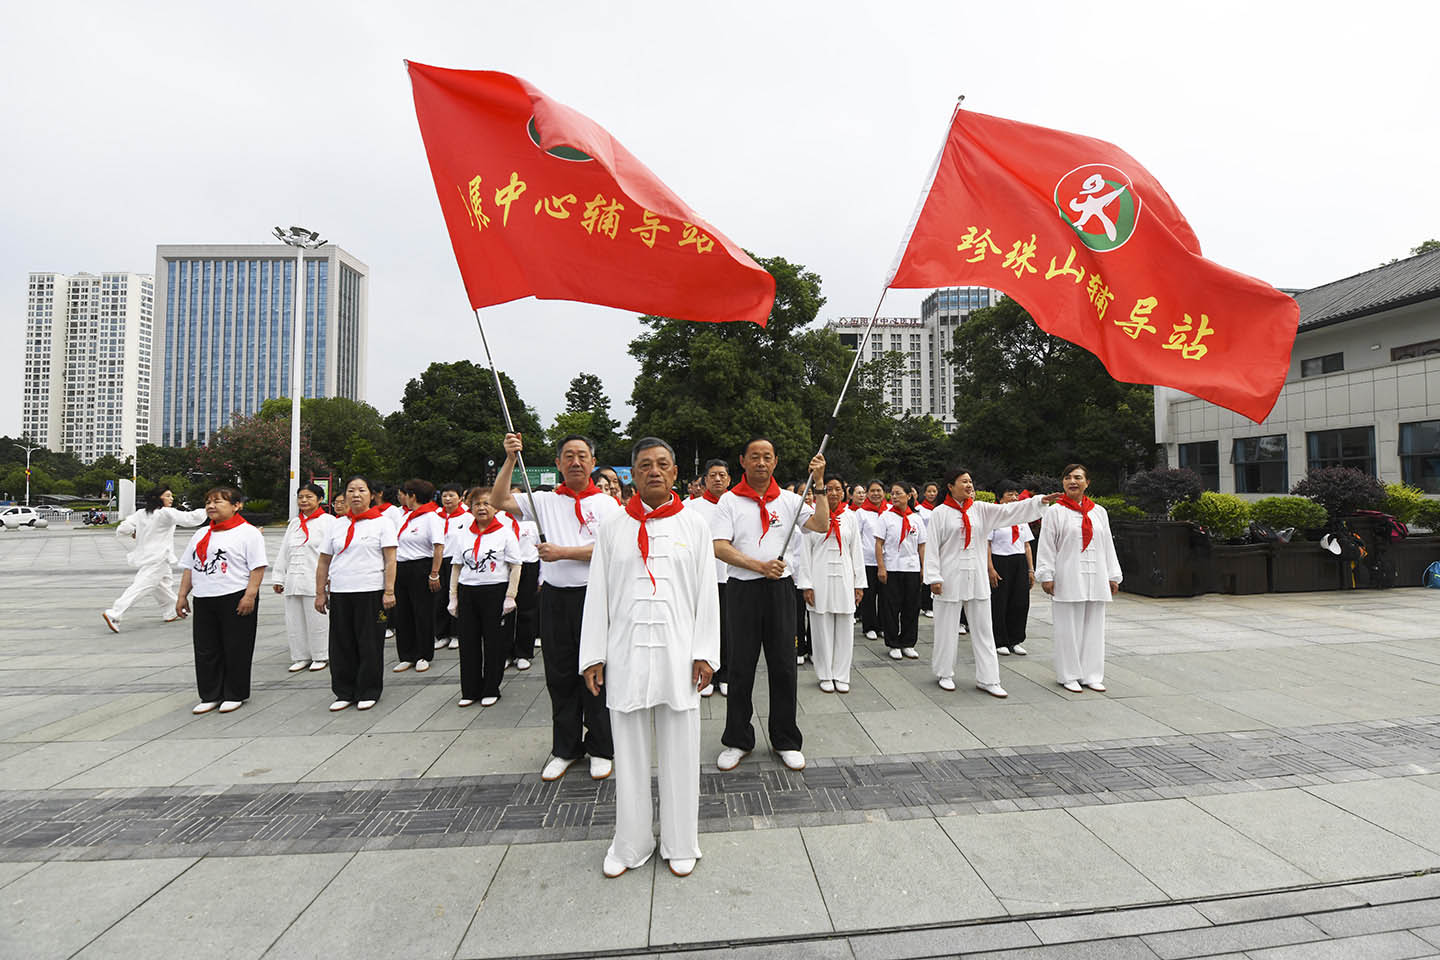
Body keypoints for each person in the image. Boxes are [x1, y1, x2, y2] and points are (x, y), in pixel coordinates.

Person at [580, 437, 719, 879]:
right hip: (624, 653)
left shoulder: (694, 525)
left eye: (662, 464)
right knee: (630, 753)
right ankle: (631, 843)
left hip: (680, 654)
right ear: (632, 475)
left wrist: (705, 654)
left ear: (675, 473)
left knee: (681, 750)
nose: (654, 471)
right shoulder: (613, 526)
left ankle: (681, 841)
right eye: (644, 466)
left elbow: (707, 594)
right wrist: (594, 656)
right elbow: (597, 593)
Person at [494, 433, 624, 781]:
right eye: (568, 456)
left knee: (597, 671)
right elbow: (499, 499)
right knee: (560, 672)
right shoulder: (544, 501)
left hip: (595, 598)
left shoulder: (608, 506)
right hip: (554, 597)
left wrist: (563, 552)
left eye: (582, 455)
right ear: (558, 464)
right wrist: (510, 459)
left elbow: (610, 551)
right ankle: (565, 747)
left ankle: (601, 746)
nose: (576, 462)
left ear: (593, 463)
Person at [711, 437, 829, 772]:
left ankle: (786, 739)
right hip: (743, 591)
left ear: (775, 461)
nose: (761, 462)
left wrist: (819, 483)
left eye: (767, 457)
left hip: (780, 592)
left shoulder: (791, 500)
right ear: (742, 461)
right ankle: (737, 738)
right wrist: (758, 565)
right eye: (754, 457)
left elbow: (821, 524)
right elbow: (719, 547)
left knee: (783, 666)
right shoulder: (729, 502)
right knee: (740, 667)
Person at [926, 468, 1056, 697]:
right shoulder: (940, 513)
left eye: (970, 481)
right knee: (946, 629)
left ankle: (988, 678)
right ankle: (944, 673)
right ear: (950, 486)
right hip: (949, 578)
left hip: (976, 578)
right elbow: (932, 548)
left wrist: (1037, 502)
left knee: (984, 630)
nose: (969, 485)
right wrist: (933, 577)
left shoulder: (981, 509)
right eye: (963, 481)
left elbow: (1009, 511)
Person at [174, 487, 267, 715]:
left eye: (218, 502)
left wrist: (250, 595)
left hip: (235, 595)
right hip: (205, 597)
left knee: (236, 648)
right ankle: (210, 694)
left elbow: (257, 567)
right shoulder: (201, 534)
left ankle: (235, 693)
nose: (211, 506)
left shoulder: (248, 533)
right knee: (206, 649)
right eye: (208, 502)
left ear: (237, 506)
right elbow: (190, 567)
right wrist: (182, 595)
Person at [1035, 463, 1123, 693]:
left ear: (1087, 482)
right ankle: (1069, 675)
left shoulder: (1098, 512)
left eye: (1077, 477)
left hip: (1096, 575)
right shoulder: (1056, 511)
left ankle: (1091, 674)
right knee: (1068, 628)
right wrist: (1046, 574)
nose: (1072, 481)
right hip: (1068, 575)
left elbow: (1107, 545)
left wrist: (1113, 575)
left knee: (1094, 626)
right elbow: (1046, 545)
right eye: (1067, 478)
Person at [314, 475, 398, 712]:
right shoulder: (336, 524)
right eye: (351, 491)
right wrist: (320, 592)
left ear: (372, 495)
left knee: (369, 643)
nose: (356, 495)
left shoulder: (382, 523)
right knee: (341, 643)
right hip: (341, 591)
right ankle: (344, 691)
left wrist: (389, 591)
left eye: (362, 490)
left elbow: (390, 560)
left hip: (371, 591)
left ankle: (368, 690)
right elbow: (323, 561)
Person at [446, 486, 522, 707]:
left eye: (487, 503)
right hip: (468, 591)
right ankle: (469, 689)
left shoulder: (505, 533)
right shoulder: (463, 533)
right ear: (470, 507)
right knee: (468, 642)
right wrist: (453, 597)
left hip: (495, 590)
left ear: (496, 507)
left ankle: (491, 688)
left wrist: (511, 595)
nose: (482, 508)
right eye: (477, 504)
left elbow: (515, 566)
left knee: (494, 643)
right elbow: (457, 567)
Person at [102, 487, 208, 632]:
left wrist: (135, 531)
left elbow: (123, 528)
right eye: (168, 496)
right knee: (141, 585)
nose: (171, 499)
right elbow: (189, 519)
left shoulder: (141, 513)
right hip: (159, 557)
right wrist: (207, 509)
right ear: (158, 498)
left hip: (150, 556)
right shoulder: (165, 512)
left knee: (163, 585)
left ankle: (170, 610)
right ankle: (115, 612)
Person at [795, 476, 864, 693]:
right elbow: (804, 554)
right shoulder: (812, 516)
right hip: (819, 577)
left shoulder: (851, 517)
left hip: (844, 577)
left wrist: (858, 584)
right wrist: (806, 584)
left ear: (844, 492)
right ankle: (824, 673)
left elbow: (857, 552)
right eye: (828, 489)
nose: (833, 493)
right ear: (820, 493)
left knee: (845, 625)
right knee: (820, 626)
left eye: (837, 489)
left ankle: (842, 674)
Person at [269, 482, 334, 672]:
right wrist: (279, 577)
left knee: (318, 619)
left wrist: (330, 577)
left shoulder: (329, 522)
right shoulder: (295, 523)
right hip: (294, 579)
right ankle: (301, 655)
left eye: (309, 497)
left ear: (320, 499)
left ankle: (321, 655)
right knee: (294, 620)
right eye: (301, 497)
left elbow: (333, 552)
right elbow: (284, 551)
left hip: (315, 578)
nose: (304, 500)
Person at [682, 458, 732, 696]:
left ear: (729, 479)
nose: (718, 479)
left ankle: (727, 674)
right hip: (703, 578)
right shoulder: (691, 507)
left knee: (729, 629)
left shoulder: (737, 503)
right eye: (713, 475)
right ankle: (706, 674)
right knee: (704, 626)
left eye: (722, 475)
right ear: (704, 480)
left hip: (730, 576)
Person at [391, 479, 445, 674]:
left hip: (421, 567)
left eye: (405, 493)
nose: (402, 497)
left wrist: (434, 573)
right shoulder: (405, 516)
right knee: (402, 612)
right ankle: (406, 655)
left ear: (412, 496)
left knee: (422, 612)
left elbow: (438, 547)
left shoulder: (431, 517)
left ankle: (423, 654)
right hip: (401, 568)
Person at [875, 482, 926, 660]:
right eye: (892, 493)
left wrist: (923, 567)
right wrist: (881, 567)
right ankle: (893, 643)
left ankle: (908, 642)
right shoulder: (885, 518)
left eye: (898, 493)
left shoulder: (916, 519)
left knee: (911, 607)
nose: (894, 497)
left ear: (909, 495)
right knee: (891, 607)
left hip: (911, 568)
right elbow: (879, 544)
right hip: (892, 567)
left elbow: (921, 545)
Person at [989, 482, 1036, 657]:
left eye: (1016, 494)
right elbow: (986, 544)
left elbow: (1027, 546)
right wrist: (990, 568)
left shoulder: (1021, 518)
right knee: (1000, 602)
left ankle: (1015, 639)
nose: (1015, 498)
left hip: (1019, 562)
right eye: (1010, 494)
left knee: (1020, 602)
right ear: (1000, 498)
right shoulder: (993, 517)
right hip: (1000, 561)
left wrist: (1030, 570)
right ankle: (999, 640)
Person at [500, 506, 542, 671]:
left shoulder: (533, 520)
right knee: (505, 612)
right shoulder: (501, 519)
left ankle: (523, 653)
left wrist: (542, 576)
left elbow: (542, 548)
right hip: (506, 568)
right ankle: (505, 653)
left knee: (526, 611)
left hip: (528, 567)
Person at [433, 483, 469, 651]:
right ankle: (442, 634)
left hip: (458, 562)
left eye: (451, 495)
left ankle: (457, 634)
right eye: (444, 496)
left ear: (460, 498)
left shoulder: (467, 517)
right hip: (439, 561)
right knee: (439, 597)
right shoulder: (435, 516)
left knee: (456, 596)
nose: (447, 499)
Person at [855, 481, 889, 640]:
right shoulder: (861, 513)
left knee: (885, 596)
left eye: (879, 490)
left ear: (884, 492)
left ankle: (882, 625)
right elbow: (857, 537)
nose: (876, 494)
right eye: (872, 491)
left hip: (887, 561)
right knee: (868, 596)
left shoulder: (889, 511)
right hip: (867, 560)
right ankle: (869, 626)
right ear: (867, 493)